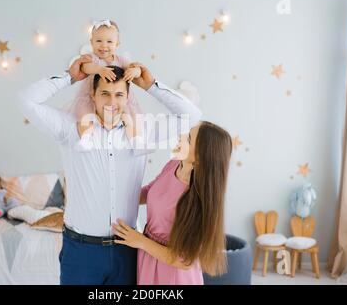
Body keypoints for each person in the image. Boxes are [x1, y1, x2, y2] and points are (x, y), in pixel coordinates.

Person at [17, 55, 202, 285]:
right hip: (80, 251)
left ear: (127, 97)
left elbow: (192, 116)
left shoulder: (143, 132)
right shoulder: (71, 129)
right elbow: (26, 100)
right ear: (92, 96)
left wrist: (150, 85)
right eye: (104, 93)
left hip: (126, 250)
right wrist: (69, 77)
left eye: (118, 95)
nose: (111, 102)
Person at [112, 121, 232, 285]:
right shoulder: (174, 164)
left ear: (200, 157)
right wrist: (112, 196)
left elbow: (183, 260)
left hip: (173, 274)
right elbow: (149, 191)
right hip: (148, 256)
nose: (181, 137)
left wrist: (139, 240)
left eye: (188, 138)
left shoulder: (199, 199)